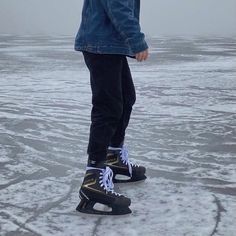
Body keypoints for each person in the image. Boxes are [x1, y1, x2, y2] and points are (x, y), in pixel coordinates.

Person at [74, 0, 149, 215]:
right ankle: (93, 178)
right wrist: (136, 40)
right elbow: (117, 5)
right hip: (101, 42)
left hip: (108, 43)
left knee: (125, 99)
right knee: (108, 108)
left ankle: (113, 158)